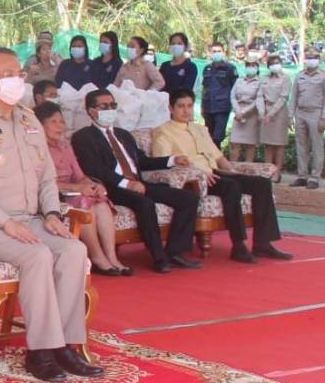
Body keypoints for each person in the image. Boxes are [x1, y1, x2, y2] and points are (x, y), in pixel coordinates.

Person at [0, 49, 96, 382]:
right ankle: (41, 351)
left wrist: (53, 213)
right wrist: (6, 222)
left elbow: (46, 177)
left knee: (74, 249)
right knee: (37, 255)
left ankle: (65, 346)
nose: (18, 80)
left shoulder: (29, 120)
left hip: (32, 220)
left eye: (19, 73)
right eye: (9, 74)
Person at [152, 90, 293, 262]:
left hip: (215, 173)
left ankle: (262, 244)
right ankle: (238, 246)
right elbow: (165, 163)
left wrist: (234, 172)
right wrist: (198, 173)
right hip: (194, 180)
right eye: (181, 106)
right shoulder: (163, 132)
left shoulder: (199, 129)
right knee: (231, 186)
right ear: (170, 108)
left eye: (189, 106)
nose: (186, 111)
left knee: (261, 183)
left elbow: (218, 157)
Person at [71, 89, 200, 272]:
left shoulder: (124, 134)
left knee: (188, 198)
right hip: (112, 188)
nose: (110, 109)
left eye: (113, 105)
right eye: (104, 106)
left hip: (137, 183)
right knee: (145, 203)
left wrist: (172, 160)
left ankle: (174, 252)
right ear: (91, 111)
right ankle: (159, 259)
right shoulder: (83, 137)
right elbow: (95, 170)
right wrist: (127, 184)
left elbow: (142, 161)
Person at [36, 101, 128, 277]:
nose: (60, 126)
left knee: (101, 203)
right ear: (40, 125)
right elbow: (42, 183)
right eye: (53, 122)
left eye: (62, 122)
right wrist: (77, 188)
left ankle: (112, 257)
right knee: (85, 203)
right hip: (52, 196)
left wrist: (92, 184)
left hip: (75, 192)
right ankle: (97, 257)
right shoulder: (36, 149)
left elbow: (80, 176)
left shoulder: (65, 146)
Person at [289, 49, 325, 189]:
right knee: (301, 146)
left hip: (316, 113)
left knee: (317, 146)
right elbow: (294, 96)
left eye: (314, 57)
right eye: (308, 57)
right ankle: (302, 176)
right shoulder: (300, 75)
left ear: (318, 59)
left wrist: (323, 118)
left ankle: (315, 177)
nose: (311, 60)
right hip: (300, 112)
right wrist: (290, 115)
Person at [258, 53, 291, 178]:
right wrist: (262, 112)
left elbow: (284, 97)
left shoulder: (285, 78)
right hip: (266, 111)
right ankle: (268, 170)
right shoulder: (264, 79)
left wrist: (272, 113)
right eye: (272, 64)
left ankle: (277, 172)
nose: (275, 66)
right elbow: (259, 96)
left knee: (279, 144)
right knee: (268, 144)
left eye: (277, 63)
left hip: (279, 112)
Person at [228, 56, 263, 163]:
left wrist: (244, 112)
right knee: (234, 143)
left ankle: (248, 169)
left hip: (251, 115)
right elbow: (232, 96)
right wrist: (238, 111)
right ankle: (232, 168)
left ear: (257, 67)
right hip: (238, 114)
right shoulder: (239, 80)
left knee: (250, 145)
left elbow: (258, 100)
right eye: (248, 65)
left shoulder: (260, 82)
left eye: (253, 65)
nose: (250, 67)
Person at [202, 42, 237, 146]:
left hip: (222, 108)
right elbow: (204, 87)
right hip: (208, 107)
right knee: (208, 136)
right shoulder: (207, 68)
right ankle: (211, 156)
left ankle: (217, 156)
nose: (216, 53)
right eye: (214, 51)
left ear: (223, 53)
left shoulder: (230, 68)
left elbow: (235, 88)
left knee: (217, 137)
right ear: (210, 53)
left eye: (219, 51)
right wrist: (202, 106)